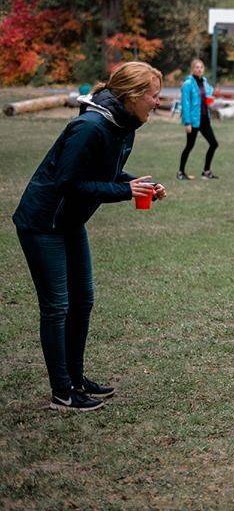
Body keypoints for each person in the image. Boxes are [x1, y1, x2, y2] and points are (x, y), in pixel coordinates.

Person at [13, 62, 167, 412]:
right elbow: (67, 182)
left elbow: (103, 173)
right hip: (43, 223)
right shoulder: (90, 126)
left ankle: (77, 379)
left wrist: (137, 185)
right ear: (131, 95)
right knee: (57, 307)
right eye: (154, 95)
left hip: (69, 222)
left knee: (83, 301)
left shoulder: (124, 125)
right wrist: (126, 191)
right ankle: (62, 393)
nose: (157, 102)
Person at [177, 58, 219, 180]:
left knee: (214, 144)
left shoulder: (204, 82)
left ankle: (206, 171)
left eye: (201, 67)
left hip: (205, 119)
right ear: (192, 69)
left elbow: (210, 94)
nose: (199, 69)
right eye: (197, 67)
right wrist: (187, 122)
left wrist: (213, 95)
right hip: (193, 121)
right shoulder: (187, 84)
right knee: (189, 146)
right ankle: (180, 172)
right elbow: (185, 104)